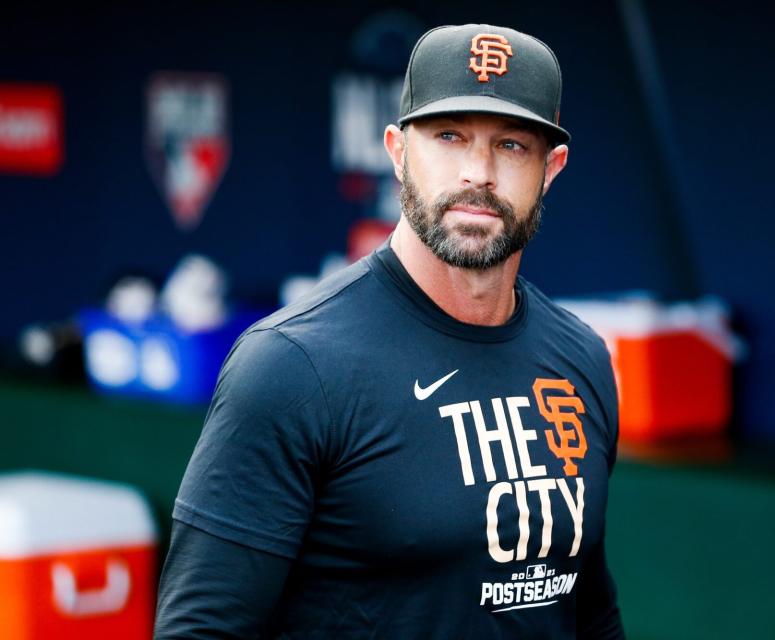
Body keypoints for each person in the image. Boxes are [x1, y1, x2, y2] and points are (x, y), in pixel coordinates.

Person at [155, 23, 624, 639]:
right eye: (450, 137)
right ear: (399, 152)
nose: (477, 172)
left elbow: (586, 610)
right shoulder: (292, 365)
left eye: (511, 145)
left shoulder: (581, 357)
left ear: (551, 168)